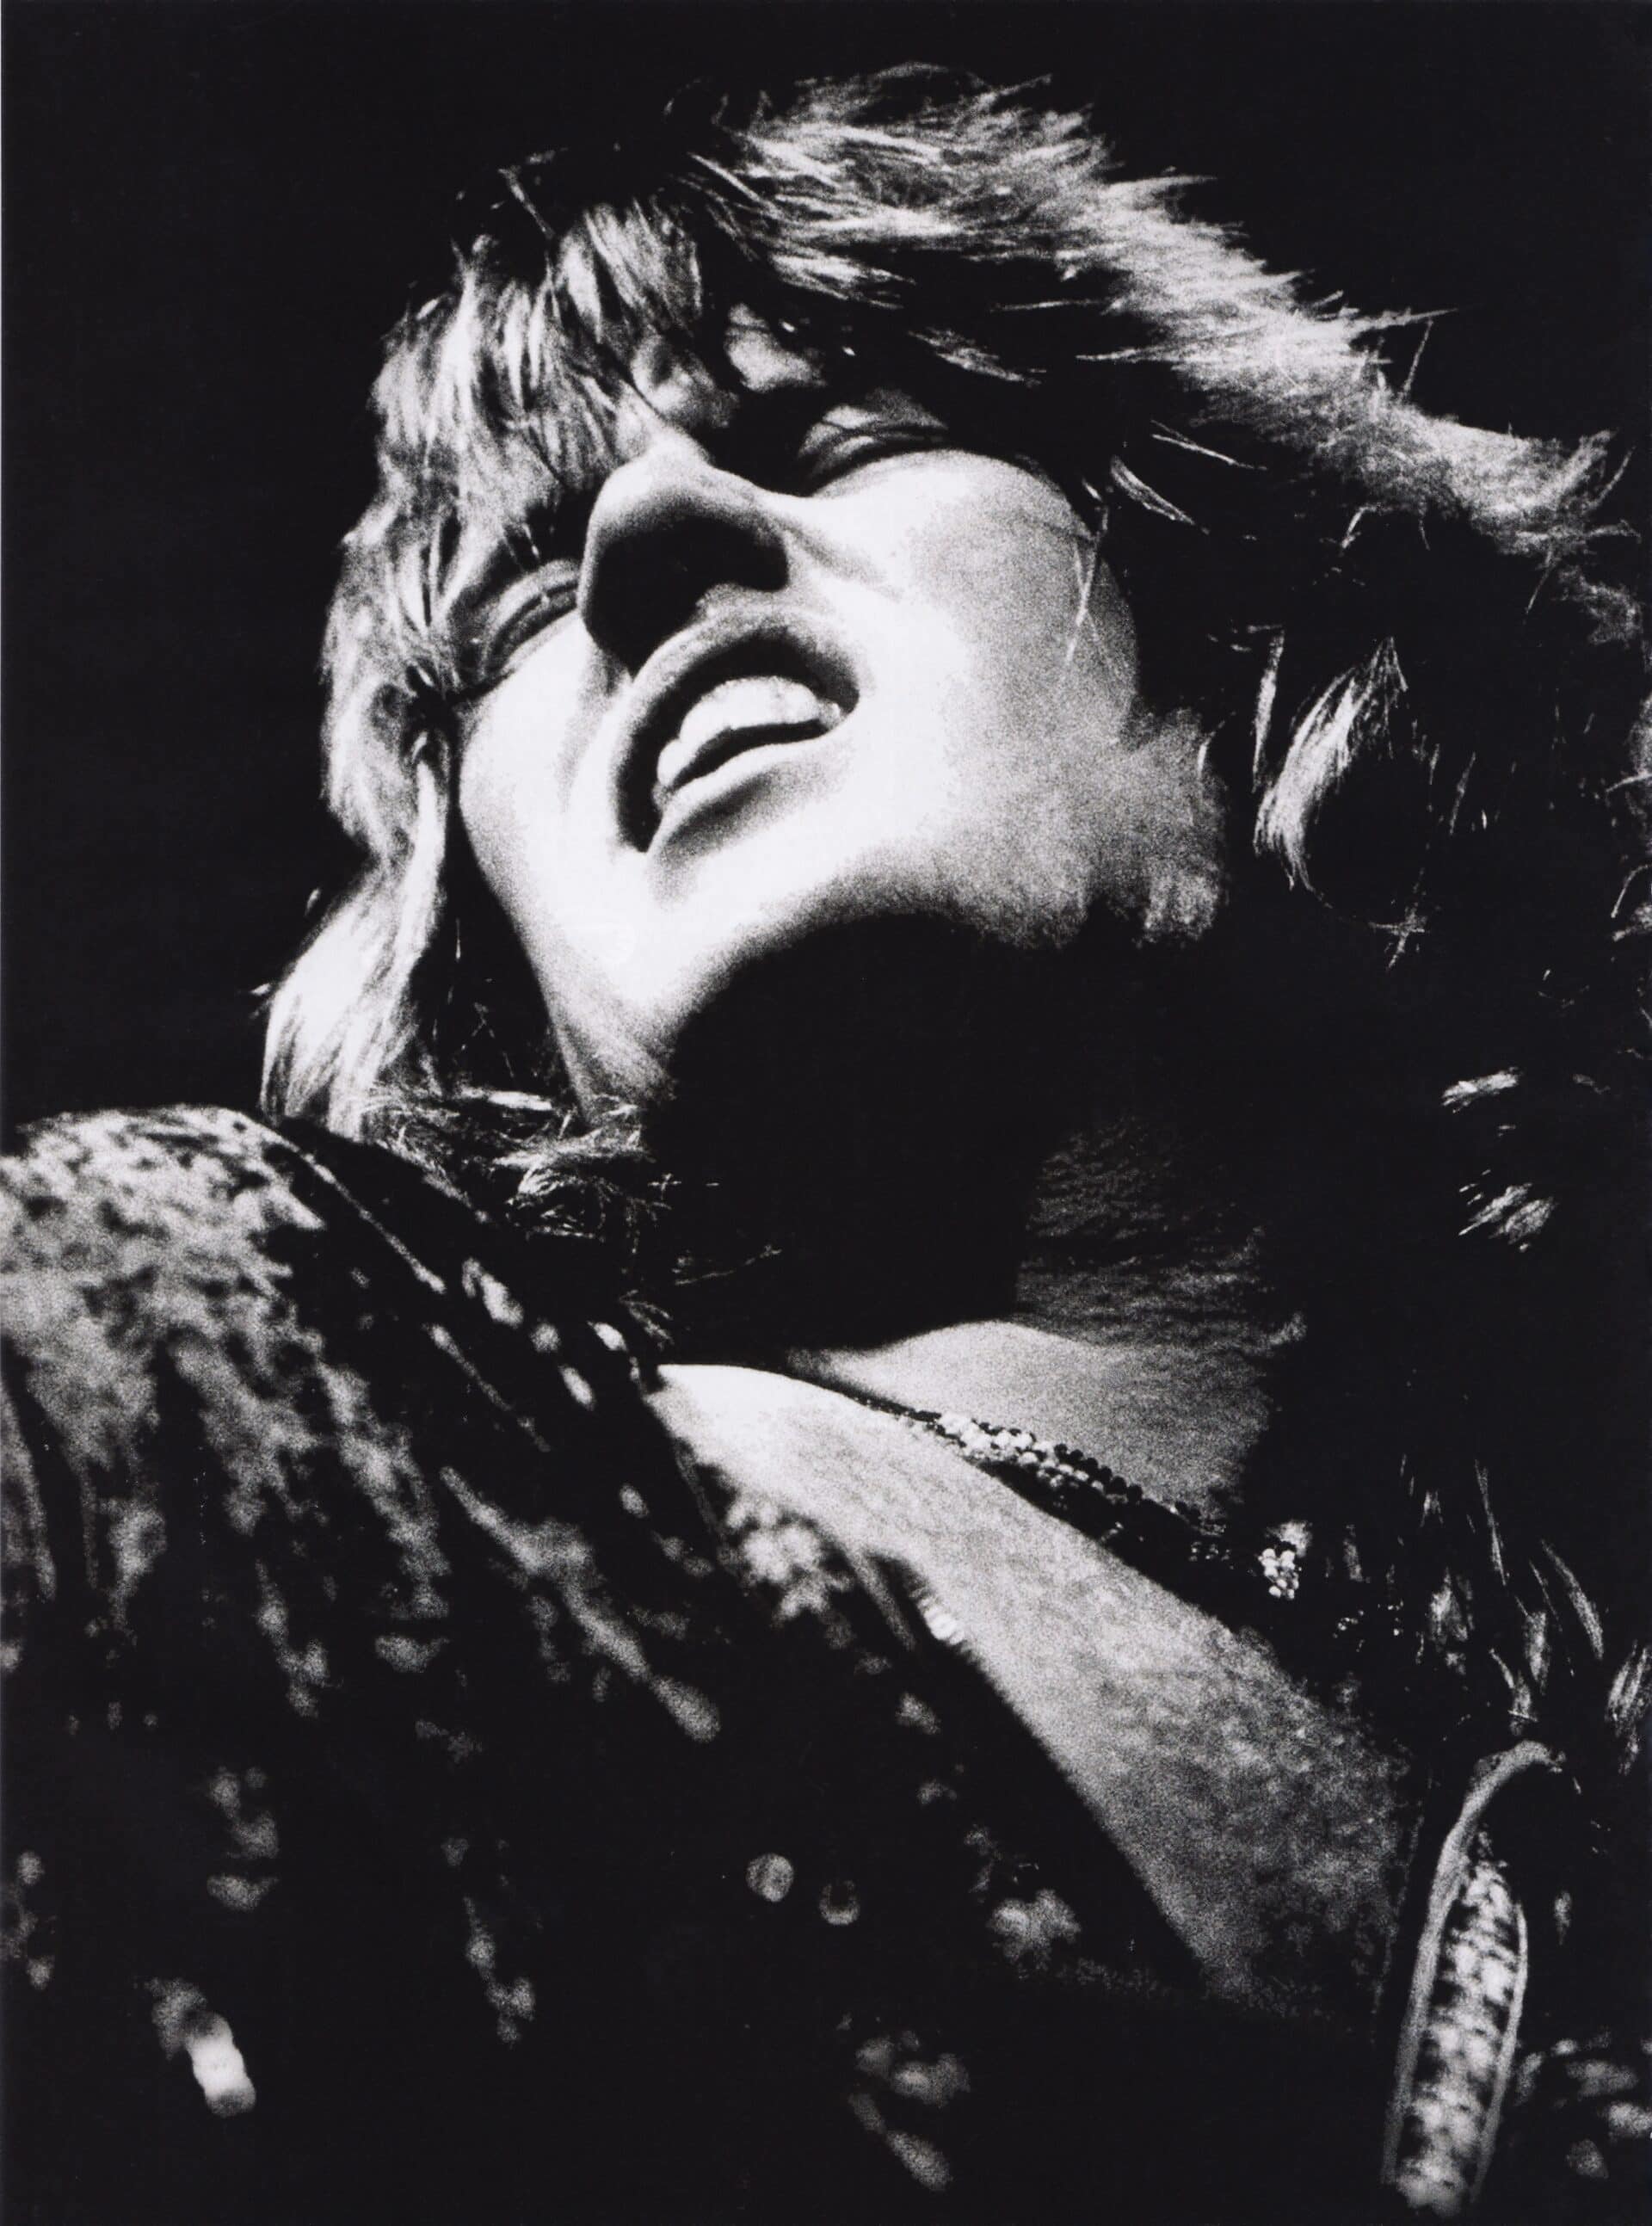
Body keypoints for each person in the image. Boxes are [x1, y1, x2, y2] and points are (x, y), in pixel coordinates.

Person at [3, 67, 1647, 2225]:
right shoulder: (174, 1369)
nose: (643, 540)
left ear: (1255, 625)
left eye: (833, 433)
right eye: (514, 607)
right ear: (487, 947)